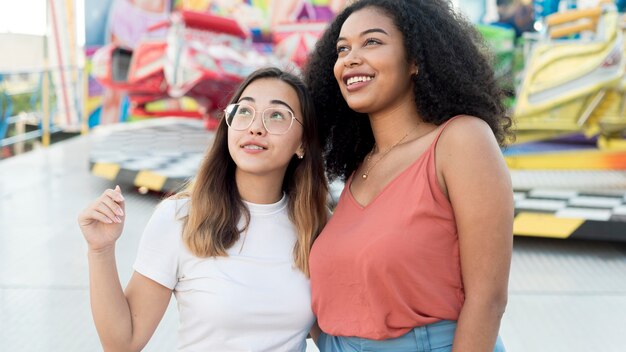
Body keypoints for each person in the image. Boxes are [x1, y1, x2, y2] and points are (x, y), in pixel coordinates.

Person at [304, 0, 514, 351]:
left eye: (372, 42)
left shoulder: (461, 140)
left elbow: (488, 299)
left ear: (415, 59)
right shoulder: (361, 167)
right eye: (343, 48)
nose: (351, 58)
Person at [78, 67, 328, 352]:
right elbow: (123, 342)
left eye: (277, 115)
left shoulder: (316, 227)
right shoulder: (180, 218)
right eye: (244, 111)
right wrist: (100, 251)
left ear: (302, 143)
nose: (255, 127)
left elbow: (337, 337)